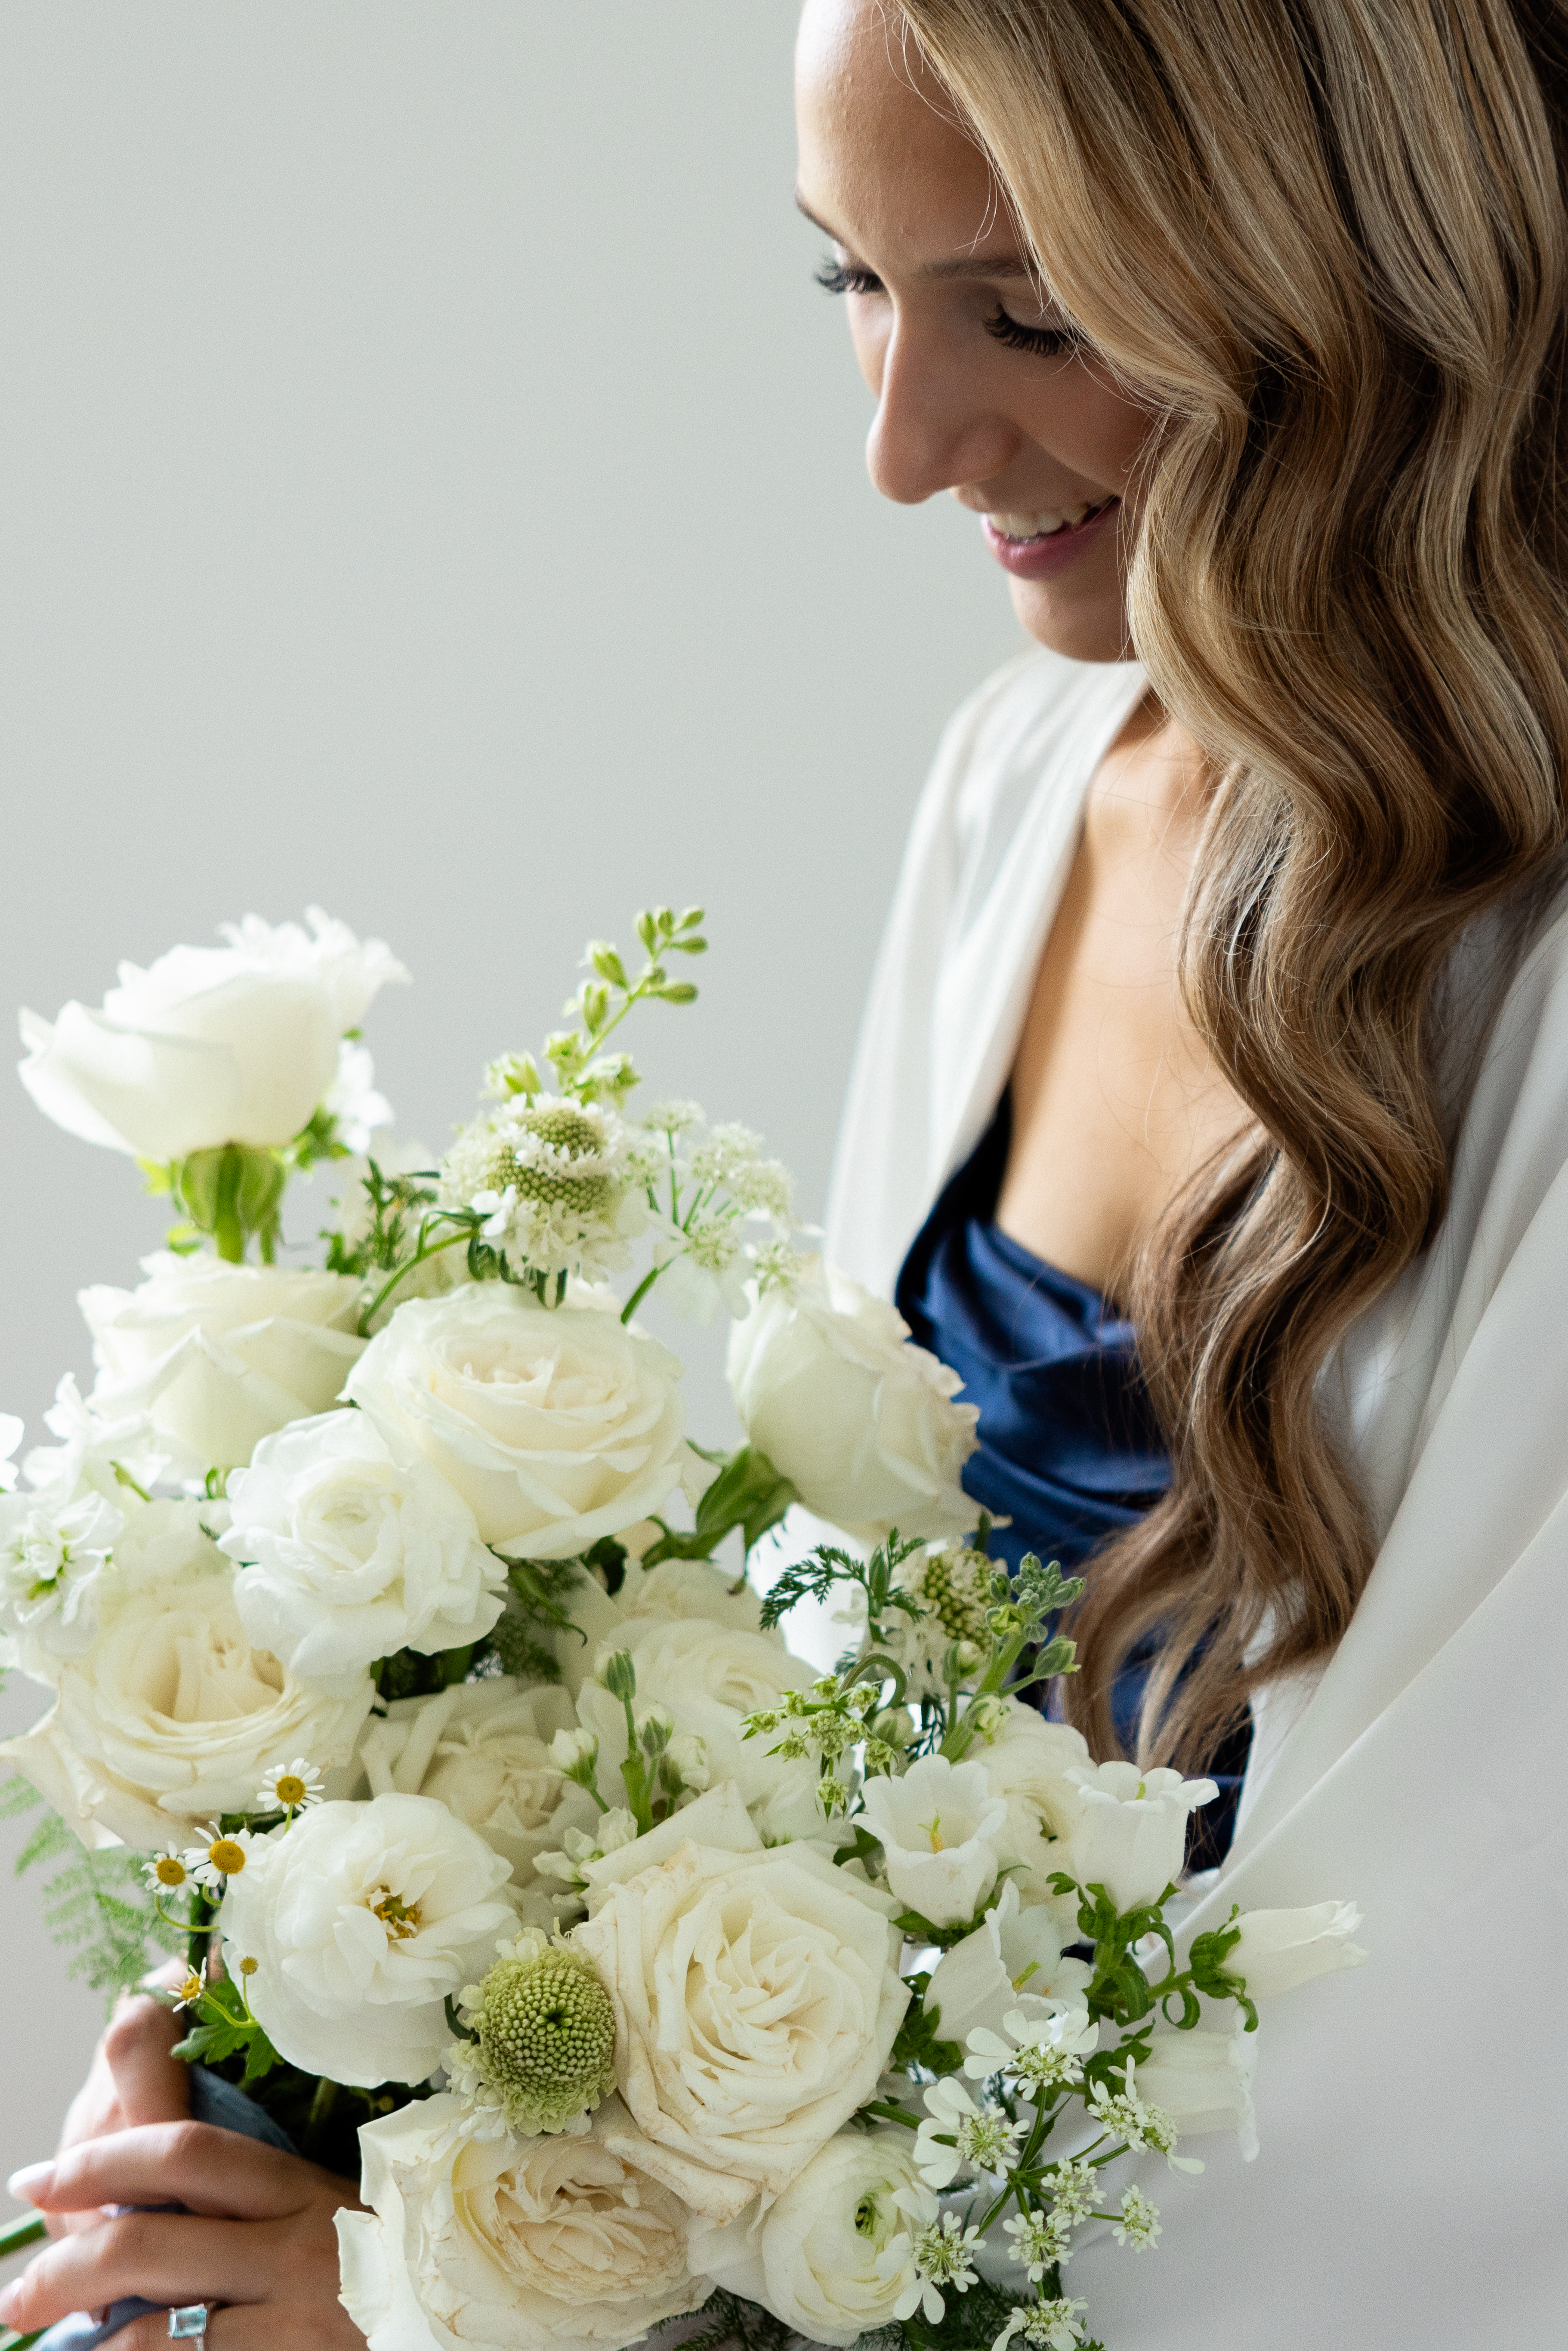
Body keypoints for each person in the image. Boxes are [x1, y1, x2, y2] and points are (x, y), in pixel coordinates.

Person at [5, 1, 1567, 2343]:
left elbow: (1459, 2098)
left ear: (1351, 258)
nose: (904, 443)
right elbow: (831, 1735)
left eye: (1030, 309)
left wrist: (477, 2322)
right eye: (846, 278)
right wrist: (358, 2096)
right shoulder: (1020, 788)